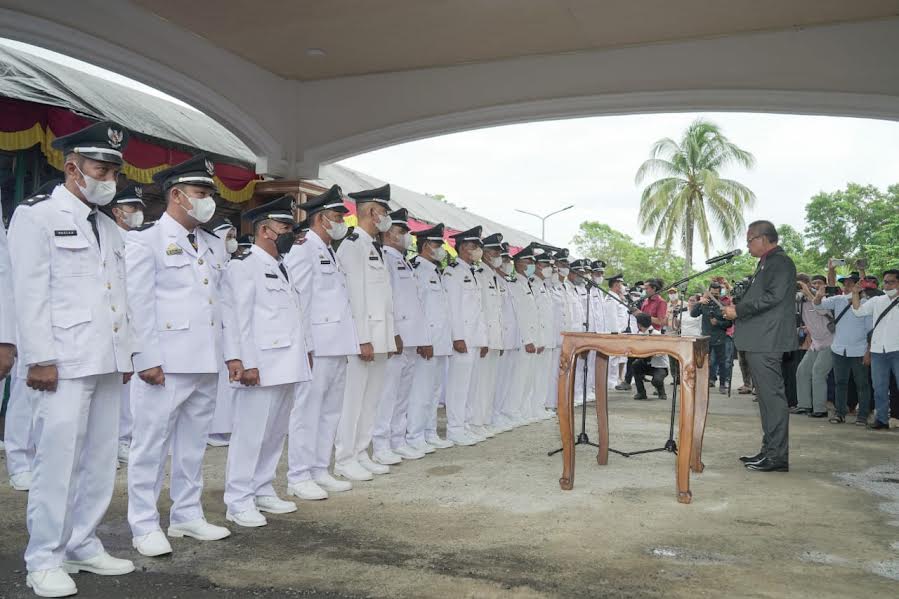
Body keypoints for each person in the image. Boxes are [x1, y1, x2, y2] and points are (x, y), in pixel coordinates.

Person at [9, 121, 136, 597]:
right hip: (61, 359)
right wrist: (39, 357)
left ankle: (82, 542)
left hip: (105, 358)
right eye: (101, 168)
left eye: (114, 172)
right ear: (73, 168)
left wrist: (126, 353)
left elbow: (119, 295)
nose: (109, 179)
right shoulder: (37, 215)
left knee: (101, 459)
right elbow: (29, 291)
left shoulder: (109, 226)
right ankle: (43, 558)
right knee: (56, 461)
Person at [125, 154, 231, 558]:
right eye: (200, 193)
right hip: (165, 362)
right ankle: (144, 523)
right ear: (176, 195)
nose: (208, 201)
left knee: (193, 444)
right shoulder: (145, 240)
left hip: (204, 359)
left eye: (209, 194)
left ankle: (187, 513)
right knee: (150, 445)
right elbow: (138, 304)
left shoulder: (209, 242)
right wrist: (146, 358)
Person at [220, 195, 312, 527]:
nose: (290, 233)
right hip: (260, 364)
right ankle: (238, 499)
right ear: (265, 231)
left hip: (286, 362)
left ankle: (262, 487)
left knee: (274, 433)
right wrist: (241, 359)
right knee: (250, 435)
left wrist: (305, 353)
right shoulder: (245, 265)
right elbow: (236, 316)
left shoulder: (279, 266)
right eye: (285, 226)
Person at [283, 185, 360, 493]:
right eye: (336, 216)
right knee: (308, 412)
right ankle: (298, 476)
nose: (342, 222)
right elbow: (299, 299)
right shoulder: (303, 248)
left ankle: (319, 468)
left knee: (329, 411)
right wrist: (306, 345)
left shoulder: (328, 249)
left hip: (337, 343)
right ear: (321, 219)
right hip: (318, 345)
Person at [723, 220, 797, 473]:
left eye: (749, 240)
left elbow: (774, 297)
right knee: (765, 400)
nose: (748, 245)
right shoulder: (767, 263)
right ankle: (769, 451)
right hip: (759, 339)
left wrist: (739, 310)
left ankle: (777, 456)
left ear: (763, 238)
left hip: (768, 340)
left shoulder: (780, 262)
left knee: (772, 399)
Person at [335, 184, 397, 478]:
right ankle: (345, 457)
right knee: (353, 401)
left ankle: (361, 451)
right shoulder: (352, 244)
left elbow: (383, 297)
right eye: (384, 212)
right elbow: (354, 297)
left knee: (371, 399)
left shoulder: (375, 246)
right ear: (372, 212)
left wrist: (391, 334)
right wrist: (363, 338)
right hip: (365, 339)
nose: (386, 218)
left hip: (381, 337)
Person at [371, 208, 431, 463]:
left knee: (402, 393)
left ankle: (397, 439)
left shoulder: (403, 260)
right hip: (396, 338)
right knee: (387, 394)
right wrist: (393, 333)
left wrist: (420, 337)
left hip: (410, 338)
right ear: (388, 234)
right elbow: (387, 301)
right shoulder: (385, 257)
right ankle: (381, 444)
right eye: (401, 231)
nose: (406, 236)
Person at [104, 184, 146, 464]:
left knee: (127, 389)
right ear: (118, 212)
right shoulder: (109, 235)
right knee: (112, 391)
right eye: (133, 209)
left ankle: (124, 439)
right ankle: (115, 441)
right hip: (111, 323)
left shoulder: (136, 240)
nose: (138, 214)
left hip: (132, 322)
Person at [405, 223, 455, 451]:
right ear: (425, 246)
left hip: (440, 341)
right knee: (421, 392)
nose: (441, 249)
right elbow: (418, 308)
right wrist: (424, 340)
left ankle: (429, 431)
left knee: (434, 391)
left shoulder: (435, 270)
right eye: (437, 245)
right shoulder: (417, 269)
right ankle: (414, 435)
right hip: (428, 342)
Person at [443, 226, 489, 445]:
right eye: (474, 246)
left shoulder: (473, 272)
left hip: (474, 338)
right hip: (462, 339)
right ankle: (455, 428)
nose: (478, 250)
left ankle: (467, 424)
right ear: (462, 248)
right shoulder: (453, 272)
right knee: (458, 387)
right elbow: (452, 307)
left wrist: (482, 338)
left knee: (471, 386)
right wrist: (457, 337)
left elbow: (477, 309)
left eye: (479, 246)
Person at [814, 270, 872, 425]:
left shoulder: (866, 305)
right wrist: (819, 294)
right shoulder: (838, 299)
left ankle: (862, 416)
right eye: (844, 283)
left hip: (859, 350)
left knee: (862, 384)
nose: (846, 285)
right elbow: (819, 306)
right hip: (839, 349)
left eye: (850, 283)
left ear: (858, 286)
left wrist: (868, 351)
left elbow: (869, 330)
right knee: (840, 383)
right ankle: (840, 414)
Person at [850, 269, 899, 430]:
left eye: (891, 281)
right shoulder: (878, 300)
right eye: (885, 281)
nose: (887, 285)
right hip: (878, 351)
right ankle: (882, 420)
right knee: (879, 387)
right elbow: (858, 311)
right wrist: (855, 293)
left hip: (897, 350)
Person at [207, 217, 240, 447]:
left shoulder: (232, 261)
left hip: (229, 330)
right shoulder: (210, 260)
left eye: (233, 236)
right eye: (228, 237)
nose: (232, 241)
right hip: (214, 330)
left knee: (226, 386)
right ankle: (214, 430)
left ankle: (224, 428)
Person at [471, 233, 505, 435]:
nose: (498, 255)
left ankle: (484, 420)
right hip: (484, 338)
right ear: (484, 254)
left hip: (495, 338)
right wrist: (483, 339)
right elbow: (480, 310)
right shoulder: (480, 274)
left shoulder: (493, 275)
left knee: (489, 382)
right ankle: (476, 422)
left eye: (499, 252)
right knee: (480, 383)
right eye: (494, 251)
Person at [506, 244, 542, 427]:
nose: (531, 266)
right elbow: (520, 315)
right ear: (518, 264)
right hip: (523, 340)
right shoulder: (515, 285)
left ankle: (521, 409)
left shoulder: (527, 284)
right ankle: (512, 410)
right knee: (519, 378)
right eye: (528, 262)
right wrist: (527, 339)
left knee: (527, 378)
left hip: (532, 339)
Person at [794, 275, 833, 418]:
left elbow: (823, 310)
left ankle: (820, 409)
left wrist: (808, 292)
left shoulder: (822, 296)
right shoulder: (798, 300)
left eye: (802, 284)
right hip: (816, 343)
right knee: (802, 371)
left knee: (818, 372)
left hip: (831, 341)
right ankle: (804, 405)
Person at [690, 281, 732, 394]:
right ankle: (704, 382)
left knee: (722, 362)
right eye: (712, 293)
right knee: (703, 361)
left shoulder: (723, 305)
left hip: (719, 337)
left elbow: (729, 323)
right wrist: (700, 302)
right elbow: (693, 314)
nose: (714, 296)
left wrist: (718, 323)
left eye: (716, 294)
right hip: (705, 337)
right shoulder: (704, 304)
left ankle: (723, 384)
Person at [632, 312, 669, 400]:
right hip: (646, 363)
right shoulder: (640, 335)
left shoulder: (656, 334)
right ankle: (641, 393)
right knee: (635, 365)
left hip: (659, 366)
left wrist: (651, 353)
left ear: (639, 324)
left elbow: (663, 351)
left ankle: (661, 392)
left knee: (656, 381)